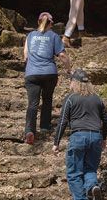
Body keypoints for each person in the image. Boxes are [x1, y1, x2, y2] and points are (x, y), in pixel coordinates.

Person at [53, 69, 107, 200]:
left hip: (78, 136)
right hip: (96, 136)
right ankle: (92, 187)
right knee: (90, 168)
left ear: (74, 82)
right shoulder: (97, 98)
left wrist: (56, 143)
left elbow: (63, 121)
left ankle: (81, 198)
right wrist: (104, 137)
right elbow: (106, 120)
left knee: (74, 173)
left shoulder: (71, 98)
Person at [23, 12, 71, 145]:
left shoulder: (30, 36)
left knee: (32, 104)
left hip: (32, 73)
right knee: (47, 99)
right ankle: (44, 126)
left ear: (38, 22)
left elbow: (26, 55)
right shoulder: (54, 36)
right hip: (49, 73)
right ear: (51, 24)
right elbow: (62, 55)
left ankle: (29, 130)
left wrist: (31, 66)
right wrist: (68, 69)